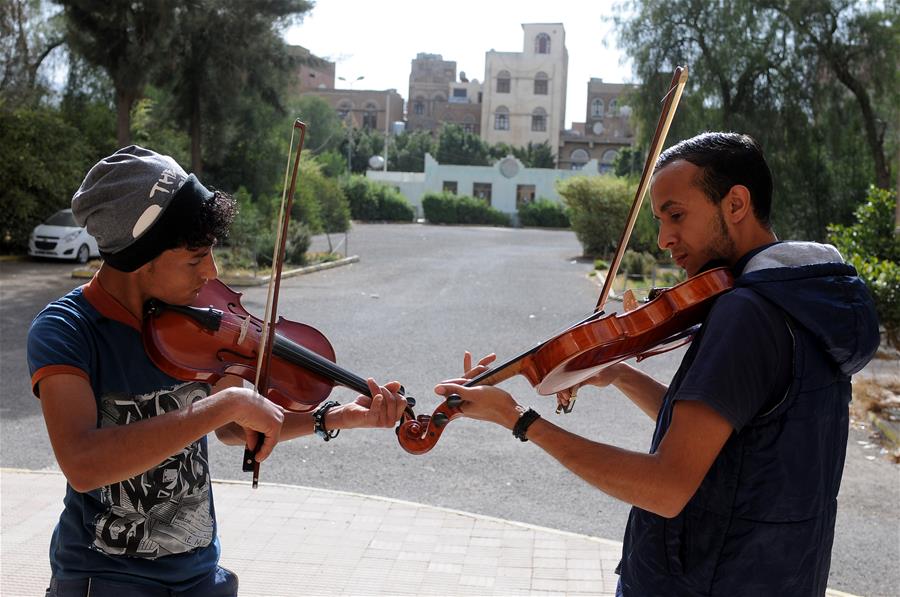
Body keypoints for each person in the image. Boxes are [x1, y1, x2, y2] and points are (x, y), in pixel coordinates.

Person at [437, 132, 880, 596]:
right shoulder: (806, 298)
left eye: (677, 215)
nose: (665, 238)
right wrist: (620, 373)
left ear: (735, 204)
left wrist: (519, 419)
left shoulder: (747, 313)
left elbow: (666, 489)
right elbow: (727, 437)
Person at [27, 146, 408, 596]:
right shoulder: (67, 331)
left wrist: (337, 417)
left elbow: (234, 426)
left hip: (200, 576)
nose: (212, 272)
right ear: (139, 258)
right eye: (194, 259)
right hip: (106, 580)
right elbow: (83, 464)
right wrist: (227, 402)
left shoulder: (196, 323)